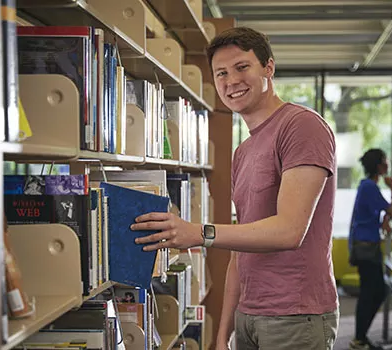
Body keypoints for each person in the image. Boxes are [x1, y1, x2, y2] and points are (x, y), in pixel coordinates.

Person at [130, 27, 339, 349]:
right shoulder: (244, 151)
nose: (231, 82)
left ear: (268, 68)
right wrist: (222, 331)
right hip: (248, 314)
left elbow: (290, 231)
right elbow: (240, 249)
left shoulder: (301, 126)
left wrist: (199, 233)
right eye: (221, 73)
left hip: (296, 315)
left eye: (242, 67)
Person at [348, 148, 392, 350]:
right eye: (385, 161)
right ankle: (359, 339)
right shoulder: (369, 187)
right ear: (378, 166)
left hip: (367, 245)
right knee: (373, 292)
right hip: (366, 248)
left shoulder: (367, 187)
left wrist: (382, 221)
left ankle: (361, 337)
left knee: (377, 290)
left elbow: (372, 215)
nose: (387, 164)